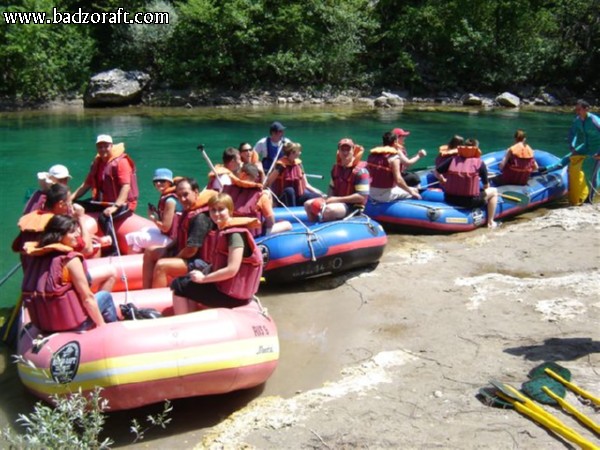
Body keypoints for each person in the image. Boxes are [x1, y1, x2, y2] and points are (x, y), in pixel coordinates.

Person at [20, 215, 119, 333]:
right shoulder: (70, 260)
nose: (78, 235)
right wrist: (102, 326)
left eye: (77, 230)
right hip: (74, 324)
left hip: (44, 326)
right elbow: (87, 298)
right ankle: (113, 329)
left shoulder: (36, 257)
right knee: (105, 297)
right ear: (60, 235)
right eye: (72, 232)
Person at [171, 193, 263, 314]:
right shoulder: (224, 231)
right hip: (227, 289)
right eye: (213, 210)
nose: (216, 213)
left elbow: (232, 270)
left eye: (221, 209)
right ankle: (192, 316)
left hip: (233, 297)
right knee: (188, 279)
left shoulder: (235, 235)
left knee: (178, 286)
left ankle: (183, 324)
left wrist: (204, 279)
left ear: (230, 210)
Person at [70, 134, 139, 256]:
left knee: (104, 217)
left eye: (106, 146)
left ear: (111, 146)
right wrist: (70, 199)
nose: (103, 149)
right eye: (100, 146)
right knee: (75, 205)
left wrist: (116, 207)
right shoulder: (98, 163)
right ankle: (75, 238)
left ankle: (113, 251)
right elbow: (86, 185)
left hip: (124, 204)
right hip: (103, 202)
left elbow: (125, 186)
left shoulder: (121, 163)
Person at [142, 177, 216, 289]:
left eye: (186, 194)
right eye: (179, 196)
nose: (183, 199)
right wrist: (167, 249)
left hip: (199, 261)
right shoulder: (188, 211)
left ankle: (155, 300)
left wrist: (175, 257)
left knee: (162, 265)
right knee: (150, 251)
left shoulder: (201, 217)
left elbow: (191, 250)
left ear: (196, 192)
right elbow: (180, 235)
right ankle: (146, 292)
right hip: (185, 255)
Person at [13, 183, 96, 271]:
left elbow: (18, 248)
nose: (71, 205)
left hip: (31, 272)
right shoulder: (59, 224)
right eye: (69, 202)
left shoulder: (30, 219)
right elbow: (87, 250)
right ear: (61, 204)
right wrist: (81, 217)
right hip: (57, 273)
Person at [434, 139, 499, 229]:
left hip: (449, 198)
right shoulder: (479, 163)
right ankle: (490, 222)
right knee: (494, 191)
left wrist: (443, 180)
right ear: (476, 149)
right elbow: (486, 186)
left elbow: (436, 171)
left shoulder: (453, 159)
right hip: (469, 201)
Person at [304, 138, 370, 222]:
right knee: (308, 204)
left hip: (353, 206)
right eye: (342, 149)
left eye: (348, 149)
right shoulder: (336, 169)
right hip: (337, 201)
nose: (345, 152)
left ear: (353, 150)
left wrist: (336, 199)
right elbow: (331, 188)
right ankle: (313, 230)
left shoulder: (361, 171)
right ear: (338, 151)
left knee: (329, 210)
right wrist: (328, 199)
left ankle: (327, 230)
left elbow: (362, 197)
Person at [125, 168, 182, 253]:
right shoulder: (167, 196)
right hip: (170, 235)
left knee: (133, 237)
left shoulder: (170, 201)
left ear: (169, 182)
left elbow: (165, 228)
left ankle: (129, 262)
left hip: (173, 241)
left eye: (162, 181)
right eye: (156, 181)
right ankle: (139, 259)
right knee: (143, 230)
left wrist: (152, 218)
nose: (158, 183)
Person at [226, 163, 292, 235]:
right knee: (288, 224)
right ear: (256, 177)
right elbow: (271, 222)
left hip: (231, 229)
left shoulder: (229, 191)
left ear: (241, 174)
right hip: (252, 234)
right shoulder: (261, 196)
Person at [264, 141, 324, 207]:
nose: (300, 153)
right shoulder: (281, 166)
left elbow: (306, 185)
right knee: (290, 190)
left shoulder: (299, 164)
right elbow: (269, 183)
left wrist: (320, 193)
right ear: (292, 153)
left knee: (316, 196)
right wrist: (271, 200)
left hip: (297, 197)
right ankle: (293, 211)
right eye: (298, 151)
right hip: (283, 198)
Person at [366, 131, 421, 202]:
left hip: (370, 192)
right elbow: (398, 180)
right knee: (415, 191)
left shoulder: (372, 155)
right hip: (384, 195)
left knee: (403, 189)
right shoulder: (394, 157)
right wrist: (411, 192)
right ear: (395, 141)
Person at [563, 99, 600, 204]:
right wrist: (572, 147)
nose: (577, 111)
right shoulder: (578, 120)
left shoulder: (594, 120)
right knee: (567, 158)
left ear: (586, 109)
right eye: (576, 109)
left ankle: (590, 200)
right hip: (588, 147)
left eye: (579, 109)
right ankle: (547, 169)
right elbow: (572, 133)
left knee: (594, 175)